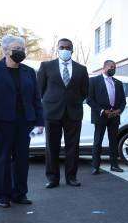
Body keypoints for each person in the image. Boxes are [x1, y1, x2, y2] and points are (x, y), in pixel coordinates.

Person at [0, 35, 44, 207]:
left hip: (24, 122)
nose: (21, 52)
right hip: (2, 122)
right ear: (6, 50)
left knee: (22, 159)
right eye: (17, 49)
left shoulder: (29, 71)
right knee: (2, 159)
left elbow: (36, 98)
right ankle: (2, 195)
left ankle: (19, 194)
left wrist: (39, 120)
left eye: (22, 49)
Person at [37, 38, 89, 188]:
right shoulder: (46, 66)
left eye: (68, 47)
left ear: (72, 50)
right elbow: (40, 89)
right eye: (62, 47)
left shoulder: (81, 69)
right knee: (51, 146)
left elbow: (85, 91)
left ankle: (71, 177)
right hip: (52, 112)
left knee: (73, 146)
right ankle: (52, 178)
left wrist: (74, 100)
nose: (65, 49)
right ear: (57, 49)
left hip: (73, 112)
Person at [87, 60, 126, 174]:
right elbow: (89, 100)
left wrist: (119, 110)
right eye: (111, 67)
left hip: (114, 116)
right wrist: (103, 111)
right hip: (100, 116)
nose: (113, 69)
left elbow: (123, 101)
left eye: (114, 67)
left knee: (113, 142)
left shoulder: (118, 83)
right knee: (97, 141)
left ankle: (114, 165)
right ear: (104, 68)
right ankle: (95, 166)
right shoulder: (93, 81)